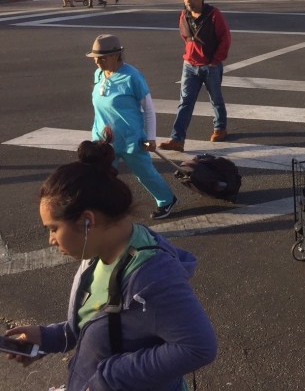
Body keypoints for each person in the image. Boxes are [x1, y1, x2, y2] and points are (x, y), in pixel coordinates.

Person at [3, 138, 217, 390]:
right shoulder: (99, 253)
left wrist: (111, 376)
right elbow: (101, 324)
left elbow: (199, 347)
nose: (51, 240)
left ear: (87, 221)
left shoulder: (152, 277)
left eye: (53, 229)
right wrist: (49, 337)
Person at [86, 34, 179, 219]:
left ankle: (166, 200)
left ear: (115, 55)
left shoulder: (132, 77)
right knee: (100, 175)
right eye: (95, 57)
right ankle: (103, 208)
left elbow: (149, 109)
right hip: (103, 141)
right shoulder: (99, 74)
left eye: (101, 58)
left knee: (145, 174)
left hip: (131, 139)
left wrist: (151, 138)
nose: (96, 61)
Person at [160, 0, 232, 152]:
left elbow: (225, 39)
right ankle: (177, 139)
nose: (188, 1)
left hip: (210, 66)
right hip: (190, 65)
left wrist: (215, 60)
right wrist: (191, 53)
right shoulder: (184, 15)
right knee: (185, 102)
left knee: (216, 99)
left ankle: (220, 128)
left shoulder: (214, 15)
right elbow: (185, 36)